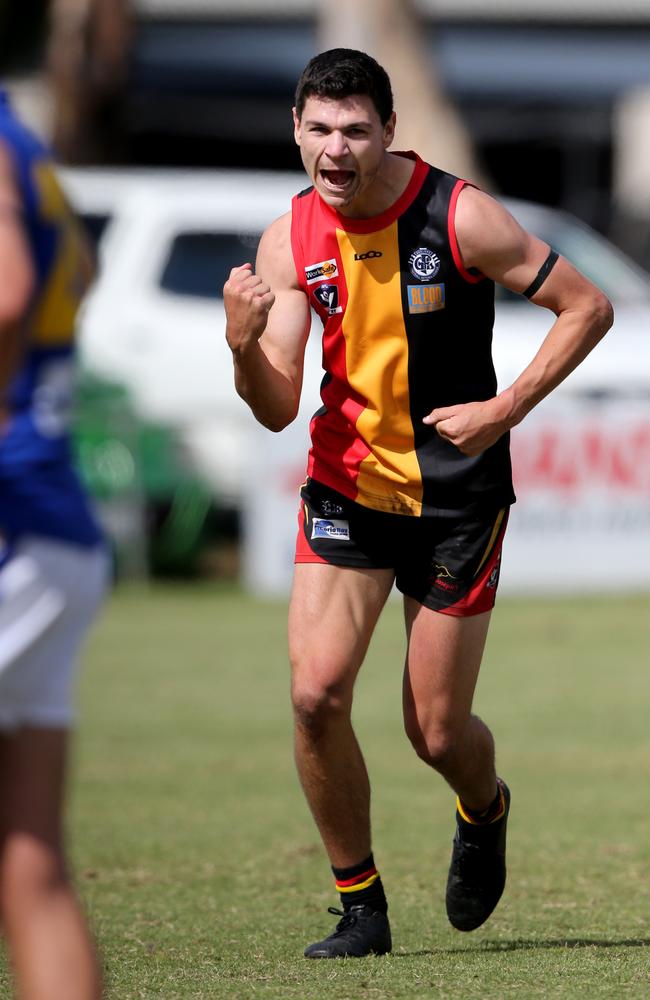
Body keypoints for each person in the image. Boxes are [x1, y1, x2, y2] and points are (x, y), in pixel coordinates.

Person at [224, 49, 613, 959]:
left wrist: (503, 408)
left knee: (434, 732)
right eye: (319, 129)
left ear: (389, 132)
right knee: (316, 695)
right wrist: (244, 347)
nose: (336, 148)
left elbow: (586, 306)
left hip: (457, 501)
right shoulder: (285, 240)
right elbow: (278, 405)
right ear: (296, 130)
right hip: (346, 489)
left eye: (356, 129)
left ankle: (485, 806)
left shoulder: (459, 213)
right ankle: (361, 907)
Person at [0, 88, 107, 998]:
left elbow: (6, 291)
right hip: (55, 523)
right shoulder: (24, 141)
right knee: (31, 861)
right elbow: (83, 265)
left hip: (12, 519)